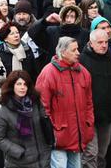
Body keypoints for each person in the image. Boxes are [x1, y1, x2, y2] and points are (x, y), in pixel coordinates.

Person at [36, 37, 95, 168]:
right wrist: (50, 131)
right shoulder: (49, 72)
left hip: (77, 134)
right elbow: (42, 107)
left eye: (77, 49)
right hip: (58, 136)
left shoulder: (83, 72)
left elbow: (89, 103)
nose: (78, 53)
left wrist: (88, 124)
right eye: (74, 50)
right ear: (62, 52)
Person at [79, 28, 111, 168]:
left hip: (107, 115)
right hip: (88, 116)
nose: (104, 45)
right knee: (91, 153)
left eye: (106, 42)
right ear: (91, 43)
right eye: (100, 42)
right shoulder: (81, 61)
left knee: (102, 153)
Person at [0, 70, 52, 168]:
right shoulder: (4, 111)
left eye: (25, 84)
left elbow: (45, 125)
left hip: (43, 160)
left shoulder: (36, 104)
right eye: (19, 84)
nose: (22, 87)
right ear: (12, 86)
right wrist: (18, 152)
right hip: (19, 162)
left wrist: (49, 145)